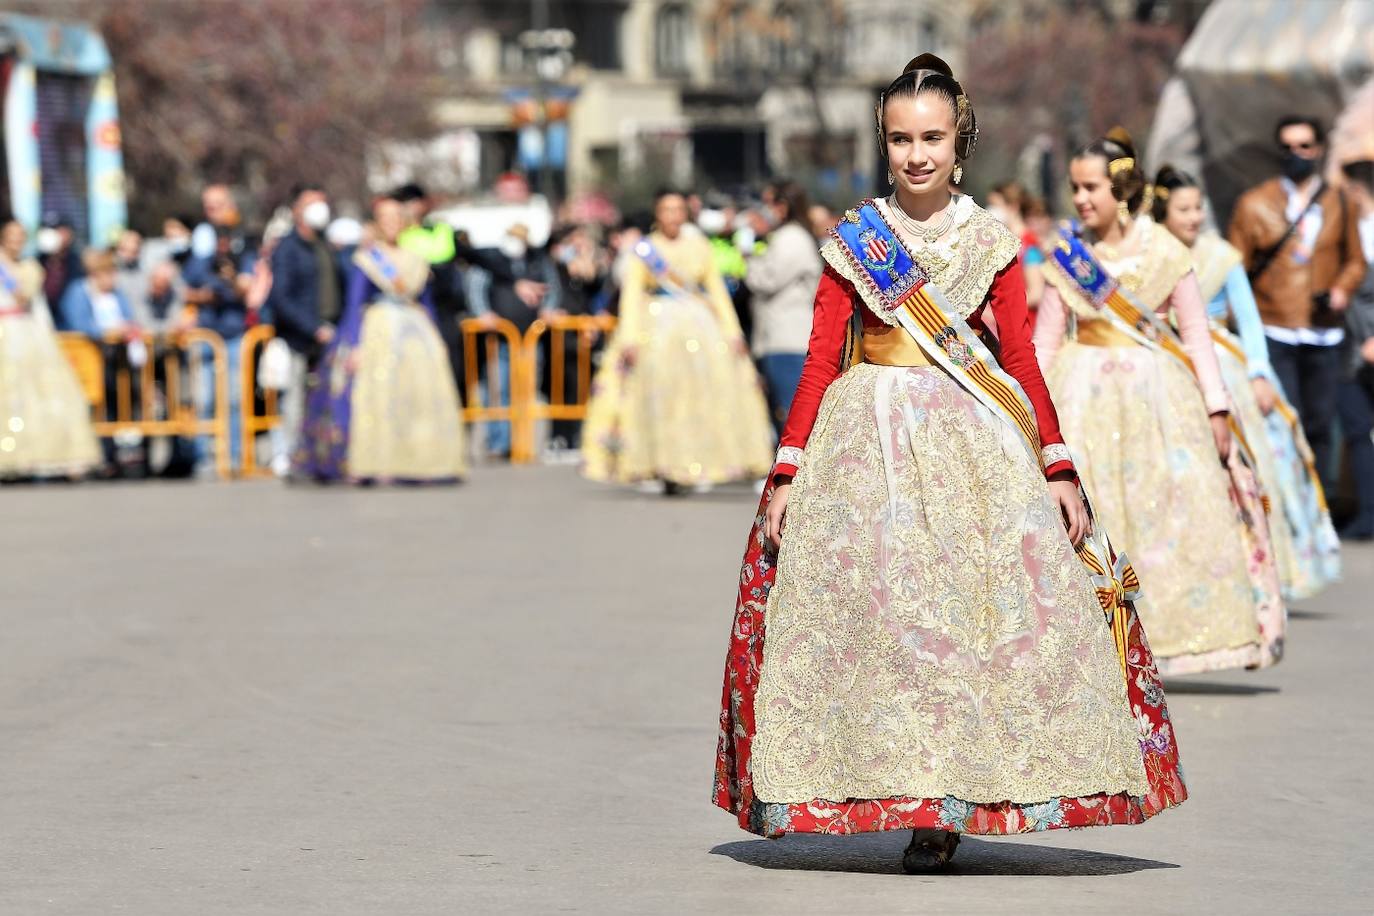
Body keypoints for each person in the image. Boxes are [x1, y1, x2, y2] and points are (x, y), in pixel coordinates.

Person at [714, 57, 1184, 872]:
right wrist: (787, 472)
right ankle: (893, 788)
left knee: (966, 629)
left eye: (931, 137)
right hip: (866, 446)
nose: (916, 154)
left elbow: (1022, 362)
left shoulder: (994, 242)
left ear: (959, 140)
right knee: (884, 627)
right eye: (901, 139)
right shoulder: (856, 241)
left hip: (972, 448)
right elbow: (822, 361)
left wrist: (1058, 464)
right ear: (884, 143)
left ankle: (951, 800)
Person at [1034, 128, 1285, 675]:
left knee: (1166, 516)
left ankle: (1167, 641)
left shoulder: (1167, 252)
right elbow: (1045, 343)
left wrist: (1217, 408)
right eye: (1075, 188)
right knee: (1090, 517)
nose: (1080, 199)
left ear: (1120, 188)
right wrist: (1031, 419)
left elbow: (1197, 334)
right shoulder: (1068, 258)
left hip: (1159, 401)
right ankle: (1092, 647)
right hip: (1082, 400)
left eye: (1091, 187)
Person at [1154, 164, 1340, 598]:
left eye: (1198, 207)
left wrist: (1259, 372)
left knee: (1243, 466)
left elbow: (1250, 323)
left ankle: (1250, 566)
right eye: (1184, 208)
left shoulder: (1221, 256)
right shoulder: (1150, 253)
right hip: (1163, 361)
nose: (1194, 217)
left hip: (1218, 361)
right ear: (1164, 212)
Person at [582, 189, 773, 493]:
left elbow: (716, 292)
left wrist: (733, 332)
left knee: (698, 398)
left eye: (677, 209)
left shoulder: (700, 246)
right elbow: (631, 296)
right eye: (665, 210)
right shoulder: (644, 250)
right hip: (655, 328)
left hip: (700, 328)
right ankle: (658, 464)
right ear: (657, 215)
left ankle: (696, 463)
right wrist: (629, 338)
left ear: (685, 213)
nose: (672, 216)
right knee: (659, 397)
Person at [1228, 115, 1367, 487]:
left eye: (1304, 146)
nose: (1297, 154)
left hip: (1323, 331)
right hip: (1275, 327)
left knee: (1321, 423)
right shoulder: (1253, 203)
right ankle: (1287, 508)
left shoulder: (1340, 201)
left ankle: (1318, 508)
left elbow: (1355, 259)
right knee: (1284, 420)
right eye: (1288, 147)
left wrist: (1341, 289)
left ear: (1318, 150)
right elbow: (1234, 270)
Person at [293, 195, 465, 484]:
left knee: (416, 397)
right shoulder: (368, 259)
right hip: (379, 330)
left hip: (413, 332)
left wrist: (436, 337)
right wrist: (353, 343)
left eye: (396, 218)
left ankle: (416, 460)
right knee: (376, 397)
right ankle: (375, 461)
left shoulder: (416, 259)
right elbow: (354, 303)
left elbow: (425, 302)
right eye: (385, 219)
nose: (391, 224)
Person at [0, 219, 100, 478]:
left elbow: (29, 301)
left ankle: (33, 458)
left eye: (21, 235)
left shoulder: (30, 267)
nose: (17, 240)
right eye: (11, 235)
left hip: (25, 333)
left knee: (35, 396)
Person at [265, 183, 344, 475]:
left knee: (328, 396)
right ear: (297, 210)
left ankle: (326, 452)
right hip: (299, 337)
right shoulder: (288, 247)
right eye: (312, 203)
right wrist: (313, 328)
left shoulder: (327, 245)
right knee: (296, 398)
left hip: (331, 332)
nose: (319, 209)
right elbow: (281, 297)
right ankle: (293, 454)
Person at [467, 223, 560, 459]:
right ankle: (499, 443)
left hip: (530, 336)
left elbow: (553, 288)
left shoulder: (537, 261)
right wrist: (483, 312)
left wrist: (548, 309)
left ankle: (523, 441)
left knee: (527, 389)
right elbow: (476, 286)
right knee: (499, 391)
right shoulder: (494, 261)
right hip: (500, 337)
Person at [743, 180, 822, 434]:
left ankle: (793, 473)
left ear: (783, 206)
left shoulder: (792, 238)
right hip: (777, 338)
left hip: (788, 339)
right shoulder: (788, 236)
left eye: (769, 203)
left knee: (790, 413)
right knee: (781, 412)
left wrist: (748, 258)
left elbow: (767, 280)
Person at [184, 227, 255, 477]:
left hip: (234, 335)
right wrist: (203, 296)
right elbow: (182, 290)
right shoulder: (200, 263)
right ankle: (204, 457)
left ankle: (234, 455)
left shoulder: (242, 261)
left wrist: (231, 279)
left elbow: (246, 292)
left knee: (234, 399)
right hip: (206, 335)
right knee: (204, 399)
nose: (223, 247)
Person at [1337, 159, 1374, 539]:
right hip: (1349, 353)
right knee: (1358, 430)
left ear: (1358, 191)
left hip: (1365, 349)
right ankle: (1367, 514)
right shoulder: (1346, 232)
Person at [985, 181, 1047, 312]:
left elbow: (1036, 293)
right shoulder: (1001, 242)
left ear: (1013, 207)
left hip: (1026, 324)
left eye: (995, 205)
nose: (990, 210)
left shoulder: (1030, 246)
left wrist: (1003, 309)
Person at [38, 214, 83, 318]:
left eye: (62, 231)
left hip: (67, 320)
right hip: (43, 317)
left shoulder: (77, 262)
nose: (58, 236)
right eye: (54, 231)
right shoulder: (37, 262)